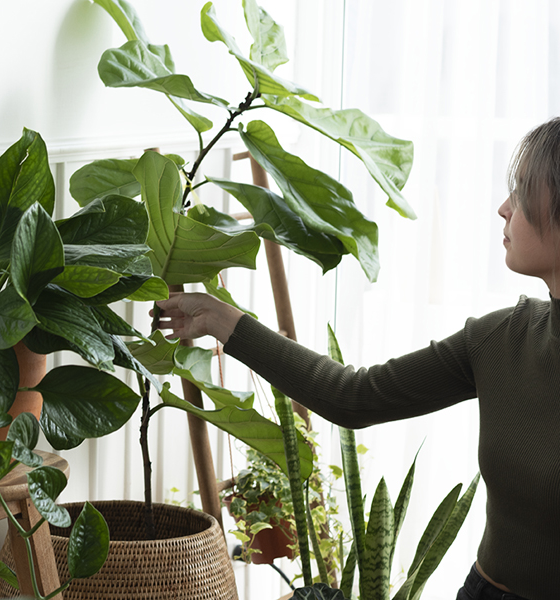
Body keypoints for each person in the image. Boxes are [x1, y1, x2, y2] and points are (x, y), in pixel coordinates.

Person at [152, 118, 560, 600]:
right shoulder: (500, 338)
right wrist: (221, 320)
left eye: (522, 192)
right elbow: (353, 396)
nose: (503, 208)